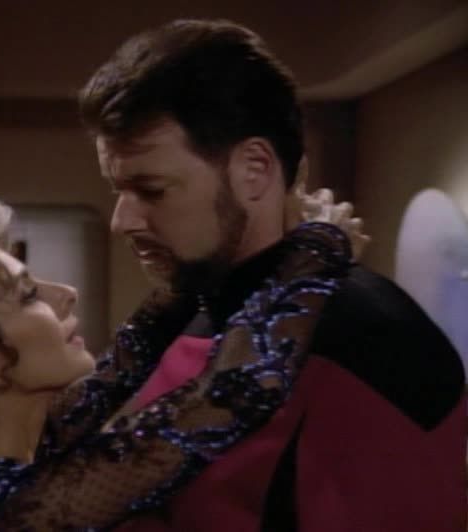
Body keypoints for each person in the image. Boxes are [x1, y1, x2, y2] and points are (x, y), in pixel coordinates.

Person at [69, 18, 467, 532]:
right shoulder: (189, 315)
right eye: (119, 191)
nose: (122, 222)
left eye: (152, 190)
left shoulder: (362, 335)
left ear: (253, 170)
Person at [0, 187, 362, 531]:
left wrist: (213, 252)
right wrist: (322, 243)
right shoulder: (13, 510)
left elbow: (129, 357)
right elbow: (238, 391)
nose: (67, 294)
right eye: (29, 294)